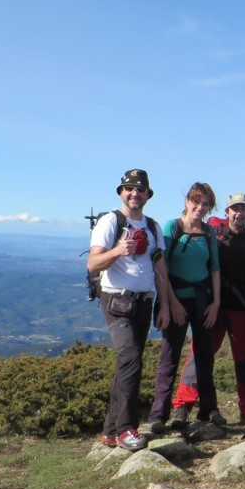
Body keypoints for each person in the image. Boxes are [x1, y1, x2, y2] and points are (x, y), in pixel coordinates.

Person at [170, 193, 245, 425]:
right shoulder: (214, 229)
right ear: (227, 212)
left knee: (244, 359)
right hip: (211, 306)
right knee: (200, 354)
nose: (239, 213)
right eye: (234, 208)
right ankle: (182, 406)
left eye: (244, 209)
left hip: (243, 306)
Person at [87, 169, 171, 451]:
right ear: (121, 192)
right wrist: (118, 251)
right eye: (129, 188)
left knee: (129, 363)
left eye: (140, 189)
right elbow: (92, 264)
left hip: (144, 302)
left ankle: (110, 430)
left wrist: (166, 304)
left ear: (148, 195)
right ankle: (126, 430)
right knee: (132, 358)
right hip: (116, 301)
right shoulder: (111, 222)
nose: (135, 193)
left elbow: (160, 268)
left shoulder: (153, 227)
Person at [148, 182, 222, 432]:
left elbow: (214, 269)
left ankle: (209, 409)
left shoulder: (209, 232)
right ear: (187, 201)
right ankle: (159, 415)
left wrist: (215, 304)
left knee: (204, 356)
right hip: (175, 300)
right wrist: (170, 304)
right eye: (196, 201)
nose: (200, 208)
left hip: (203, 300)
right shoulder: (172, 227)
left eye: (206, 204)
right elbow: (163, 269)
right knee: (169, 357)